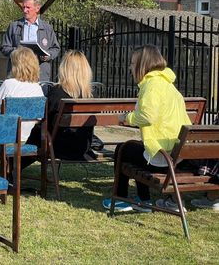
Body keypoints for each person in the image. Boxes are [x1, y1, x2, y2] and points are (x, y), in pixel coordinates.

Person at [102, 45, 191, 212]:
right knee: (136, 149)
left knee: (123, 150)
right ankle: (143, 200)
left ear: (142, 64)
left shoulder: (151, 85)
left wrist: (126, 118)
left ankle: (121, 198)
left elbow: (148, 116)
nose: (130, 67)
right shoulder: (168, 84)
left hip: (163, 156)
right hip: (177, 152)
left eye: (132, 63)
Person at [47, 50, 96, 161]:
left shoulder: (57, 92)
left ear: (64, 69)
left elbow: (48, 120)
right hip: (83, 146)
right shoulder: (91, 95)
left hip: (58, 147)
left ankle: (13, 165)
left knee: (37, 132)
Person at [0, 46, 44, 142]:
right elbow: (39, 118)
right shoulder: (37, 88)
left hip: (3, 139)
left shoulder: (9, 84)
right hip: (26, 139)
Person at [0, 0, 60, 82]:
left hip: (40, 75)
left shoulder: (47, 28)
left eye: (28, 7)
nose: (25, 10)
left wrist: (48, 56)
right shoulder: (14, 26)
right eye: (23, 7)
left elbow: (55, 48)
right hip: (17, 74)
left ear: (37, 8)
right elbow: (4, 47)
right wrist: (17, 52)